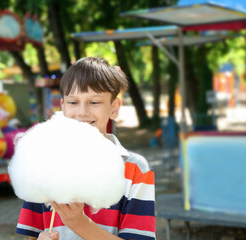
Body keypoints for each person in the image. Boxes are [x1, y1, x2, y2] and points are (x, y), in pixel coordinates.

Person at [16, 57, 156, 240]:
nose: (82, 112)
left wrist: (78, 223)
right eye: (73, 102)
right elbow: (32, 235)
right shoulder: (45, 163)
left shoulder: (135, 168)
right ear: (63, 106)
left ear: (114, 108)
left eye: (94, 102)